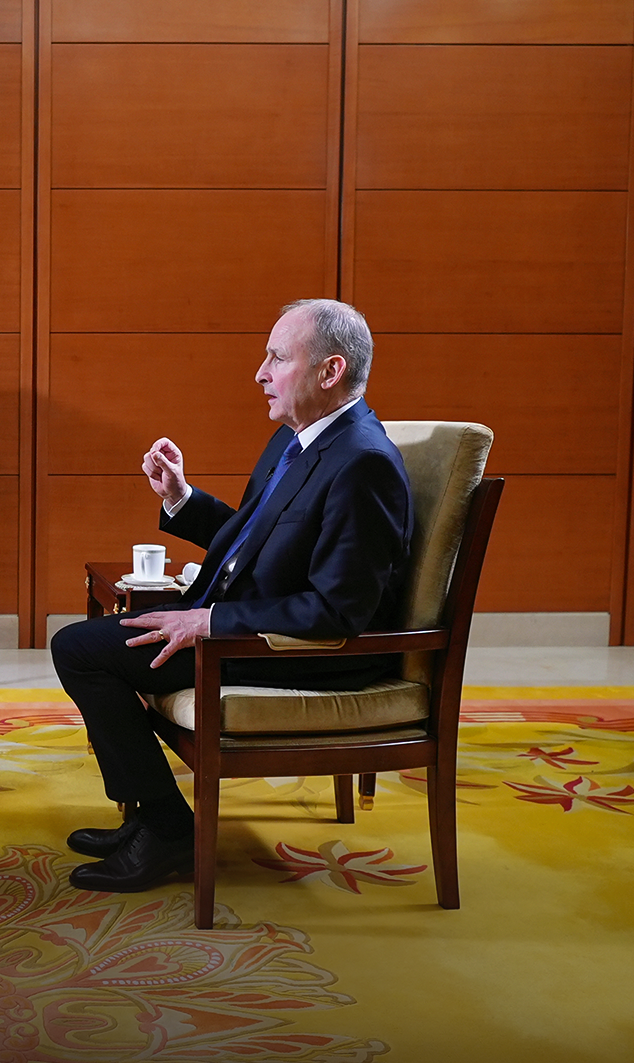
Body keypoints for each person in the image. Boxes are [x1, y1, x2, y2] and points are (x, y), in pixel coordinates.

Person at [51, 298, 413, 893]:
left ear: (331, 371)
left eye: (277, 358)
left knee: (81, 650)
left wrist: (209, 622)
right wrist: (181, 498)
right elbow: (256, 537)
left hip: (300, 650)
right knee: (88, 643)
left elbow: (339, 610)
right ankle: (151, 818)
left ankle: (167, 828)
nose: (260, 373)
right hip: (248, 622)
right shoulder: (296, 441)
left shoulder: (363, 463)